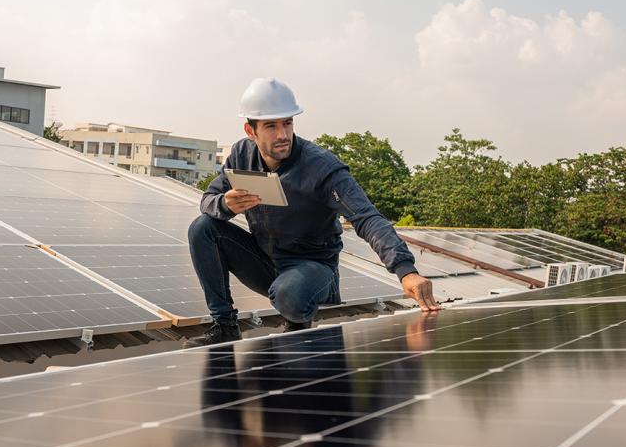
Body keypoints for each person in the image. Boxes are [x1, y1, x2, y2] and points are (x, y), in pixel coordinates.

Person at [185, 77, 439, 347]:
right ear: (251, 130)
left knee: (289, 293)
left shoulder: (321, 167)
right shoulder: (240, 155)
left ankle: (298, 323)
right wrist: (224, 204)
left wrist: (405, 270)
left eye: (288, 123)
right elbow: (208, 200)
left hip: (313, 269)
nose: (282, 134)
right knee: (203, 228)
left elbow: (367, 217)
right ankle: (224, 326)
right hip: (265, 261)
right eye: (271, 126)